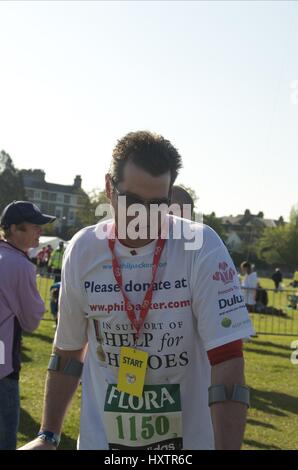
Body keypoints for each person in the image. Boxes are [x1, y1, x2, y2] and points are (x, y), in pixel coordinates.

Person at [21, 131, 254, 451]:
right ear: (108, 188)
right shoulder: (84, 248)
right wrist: (47, 436)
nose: (144, 217)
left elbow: (228, 363)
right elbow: (68, 352)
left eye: (158, 204)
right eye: (132, 202)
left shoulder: (200, 246)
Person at [0, 201, 56, 449]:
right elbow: (33, 320)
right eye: (35, 226)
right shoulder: (21, 266)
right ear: (14, 229)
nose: (40, 232)